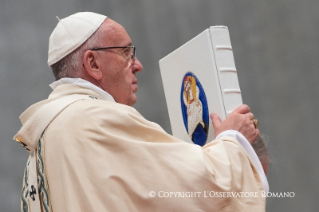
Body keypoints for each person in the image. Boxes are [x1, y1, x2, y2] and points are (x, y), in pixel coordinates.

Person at [14, 12, 268, 212]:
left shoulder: (42, 144)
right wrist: (233, 140)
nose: (137, 65)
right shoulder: (95, 119)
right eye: (126, 52)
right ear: (92, 63)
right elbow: (197, 187)